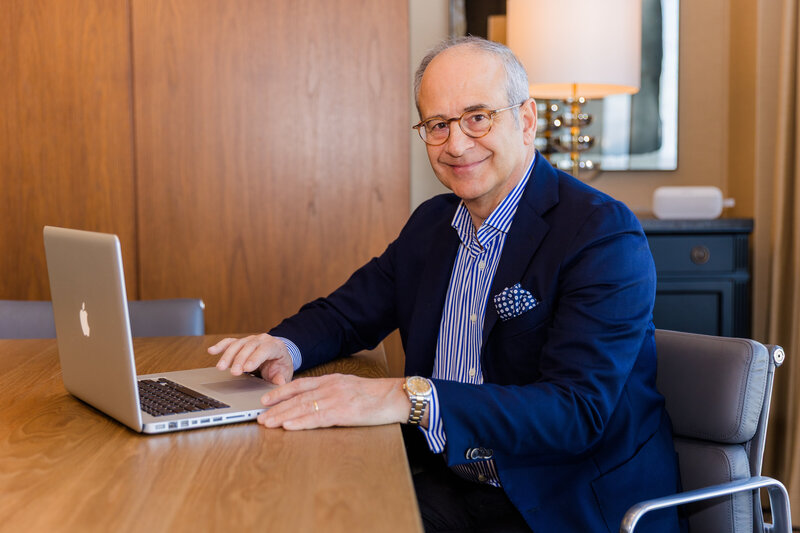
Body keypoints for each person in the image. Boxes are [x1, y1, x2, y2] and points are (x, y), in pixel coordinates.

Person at [210, 36, 681, 532]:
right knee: (293, 507)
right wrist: (284, 346)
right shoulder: (432, 225)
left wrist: (409, 396)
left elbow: (576, 412)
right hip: (449, 477)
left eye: (478, 117)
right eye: (439, 125)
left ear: (525, 119)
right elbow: (349, 313)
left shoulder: (601, 232)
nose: (456, 144)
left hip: (555, 500)